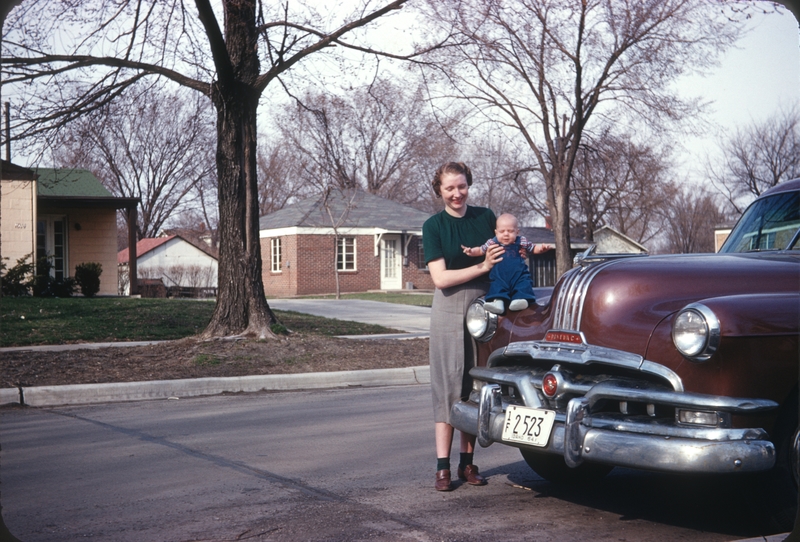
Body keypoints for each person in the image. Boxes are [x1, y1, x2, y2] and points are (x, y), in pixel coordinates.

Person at [422, 162, 504, 492]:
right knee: (448, 388)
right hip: (447, 310)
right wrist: (482, 266)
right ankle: (442, 468)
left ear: (469, 185)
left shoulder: (486, 218)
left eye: (462, 186)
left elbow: (506, 252)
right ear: (439, 191)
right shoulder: (434, 226)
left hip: (483, 313)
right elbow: (440, 279)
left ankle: (467, 464)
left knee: (473, 388)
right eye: (449, 188)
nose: (457, 194)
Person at [461, 213, 554, 314]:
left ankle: (520, 300)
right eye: (502, 231)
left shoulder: (521, 241)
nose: (506, 234)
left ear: (517, 232)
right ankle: (498, 302)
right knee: (497, 286)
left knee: (523, 283)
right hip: (500, 275)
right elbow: (480, 250)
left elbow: (533, 248)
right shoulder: (492, 242)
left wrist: (542, 248)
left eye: (510, 231)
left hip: (518, 274)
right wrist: (471, 252)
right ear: (496, 232)